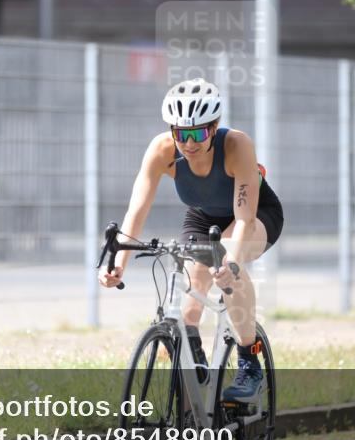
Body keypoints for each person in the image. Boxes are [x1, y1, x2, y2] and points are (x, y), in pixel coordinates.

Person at [98, 78, 284, 402]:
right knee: (190, 297)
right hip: (203, 217)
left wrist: (233, 265)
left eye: (198, 133)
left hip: (255, 216)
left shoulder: (237, 146)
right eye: (181, 133)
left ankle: (249, 361)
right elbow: (136, 213)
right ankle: (195, 368)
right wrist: (118, 265)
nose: (189, 143)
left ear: (214, 127)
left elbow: (244, 219)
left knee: (224, 260)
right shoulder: (161, 151)